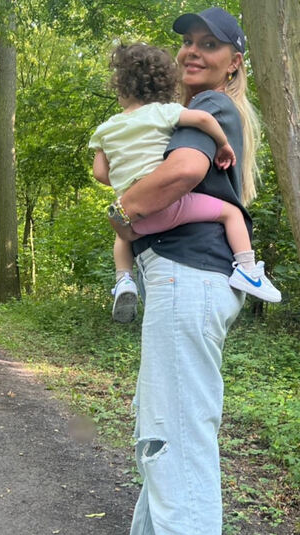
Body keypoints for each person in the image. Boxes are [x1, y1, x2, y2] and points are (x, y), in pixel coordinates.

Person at [87, 8, 262, 535]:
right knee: (159, 418)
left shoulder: (211, 105)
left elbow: (186, 173)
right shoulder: (191, 112)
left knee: (178, 432)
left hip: (188, 278)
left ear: (234, 60)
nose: (193, 52)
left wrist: (124, 208)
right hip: (181, 277)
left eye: (209, 44)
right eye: (186, 43)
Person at [89, 42, 280, 324]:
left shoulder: (106, 128)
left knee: (120, 236)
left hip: (137, 221)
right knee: (231, 212)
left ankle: (124, 280)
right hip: (172, 205)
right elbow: (202, 119)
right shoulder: (164, 113)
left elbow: (100, 173)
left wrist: (126, 180)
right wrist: (224, 144)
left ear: (121, 89)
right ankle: (248, 269)